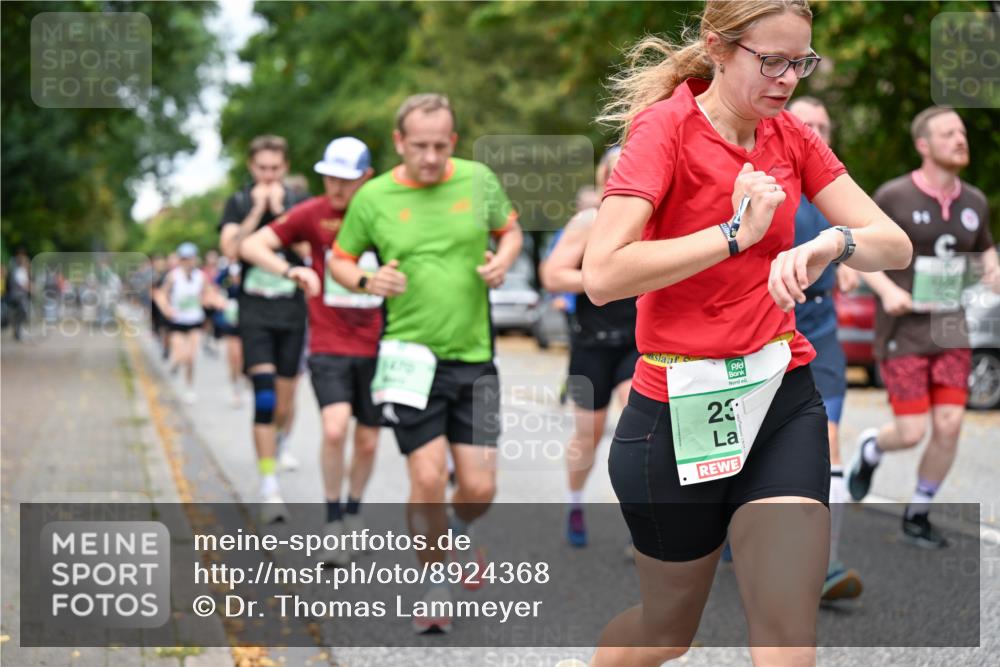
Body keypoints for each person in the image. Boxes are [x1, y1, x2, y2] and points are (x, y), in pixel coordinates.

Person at [581, 1, 911, 664]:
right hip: (676, 408)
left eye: (802, 62)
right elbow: (603, 273)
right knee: (666, 632)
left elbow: (893, 244)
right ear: (720, 47)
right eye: (773, 61)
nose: (789, 79)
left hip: (779, 396)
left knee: (788, 632)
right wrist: (734, 236)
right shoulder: (665, 130)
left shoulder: (789, 136)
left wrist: (831, 245)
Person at [329, 93, 523, 633]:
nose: (432, 157)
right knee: (429, 475)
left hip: (476, 357)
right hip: (409, 360)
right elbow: (340, 262)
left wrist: (502, 262)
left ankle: (459, 532)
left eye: (441, 146)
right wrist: (369, 280)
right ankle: (435, 582)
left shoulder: (478, 180)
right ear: (399, 143)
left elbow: (508, 229)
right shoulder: (374, 197)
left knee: (481, 488)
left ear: (453, 143)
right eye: (420, 147)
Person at [847, 106, 998, 548]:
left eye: (963, 132)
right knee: (911, 432)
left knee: (950, 424)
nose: (960, 138)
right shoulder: (894, 196)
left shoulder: (974, 202)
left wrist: (992, 271)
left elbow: (984, 250)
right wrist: (886, 291)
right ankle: (873, 447)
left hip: (952, 328)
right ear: (923, 145)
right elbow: (858, 251)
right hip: (904, 329)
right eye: (949, 133)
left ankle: (918, 512)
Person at [241, 137, 383, 567]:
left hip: (379, 342)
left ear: (366, 177)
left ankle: (355, 510)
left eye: (346, 178)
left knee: (368, 439)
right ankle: (333, 519)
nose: (337, 187)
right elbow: (251, 246)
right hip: (328, 341)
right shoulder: (312, 213)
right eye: (330, 177)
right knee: (336, 428)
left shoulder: (385, 213)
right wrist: (292, 269)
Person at [541, 147, 638, 548]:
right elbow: (552, 275)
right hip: (591, 345)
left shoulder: (650, 220)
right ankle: (575, 502)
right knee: (589, 436)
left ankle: (646, 523)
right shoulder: (588, 221)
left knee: (637, 422)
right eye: (614, 174)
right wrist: (601, 278)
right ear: (602, 179)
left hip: (637, 342)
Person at [218, 135, 309, 522]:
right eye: (262, 169)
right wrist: (257, 214)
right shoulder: (239, 202)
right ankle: (269, 486)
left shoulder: (300, 203)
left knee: (286, 403)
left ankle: (280, 443)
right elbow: (230, 249)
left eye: (275, 168)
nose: (269, 175)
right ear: (252, 168)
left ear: (284, 167)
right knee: (266, 396)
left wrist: (283, 217)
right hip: (254, 312)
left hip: (292, 311)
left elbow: (311, 251)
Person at [154, 242, 211, 404]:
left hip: (194, 320)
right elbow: (161, 294)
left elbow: (208, 293)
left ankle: (189, 387)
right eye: (184, 259)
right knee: (181, 354)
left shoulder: (201, 276)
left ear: (195, 259)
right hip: (178, 321)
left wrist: (208, 301)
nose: (188, 262)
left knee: (191, 358)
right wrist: (167, 309)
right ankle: (174, 363)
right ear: (180, 260)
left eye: (190, 258)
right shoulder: (173, 276)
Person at [209, 258, 246, 407]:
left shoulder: (248, 265)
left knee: (244, 356)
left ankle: (243, 382)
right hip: (231, 319)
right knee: (234, 356)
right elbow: (213, 287)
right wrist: (219, 300)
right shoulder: (225, 271)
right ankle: (235, 387)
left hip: (249, 318)